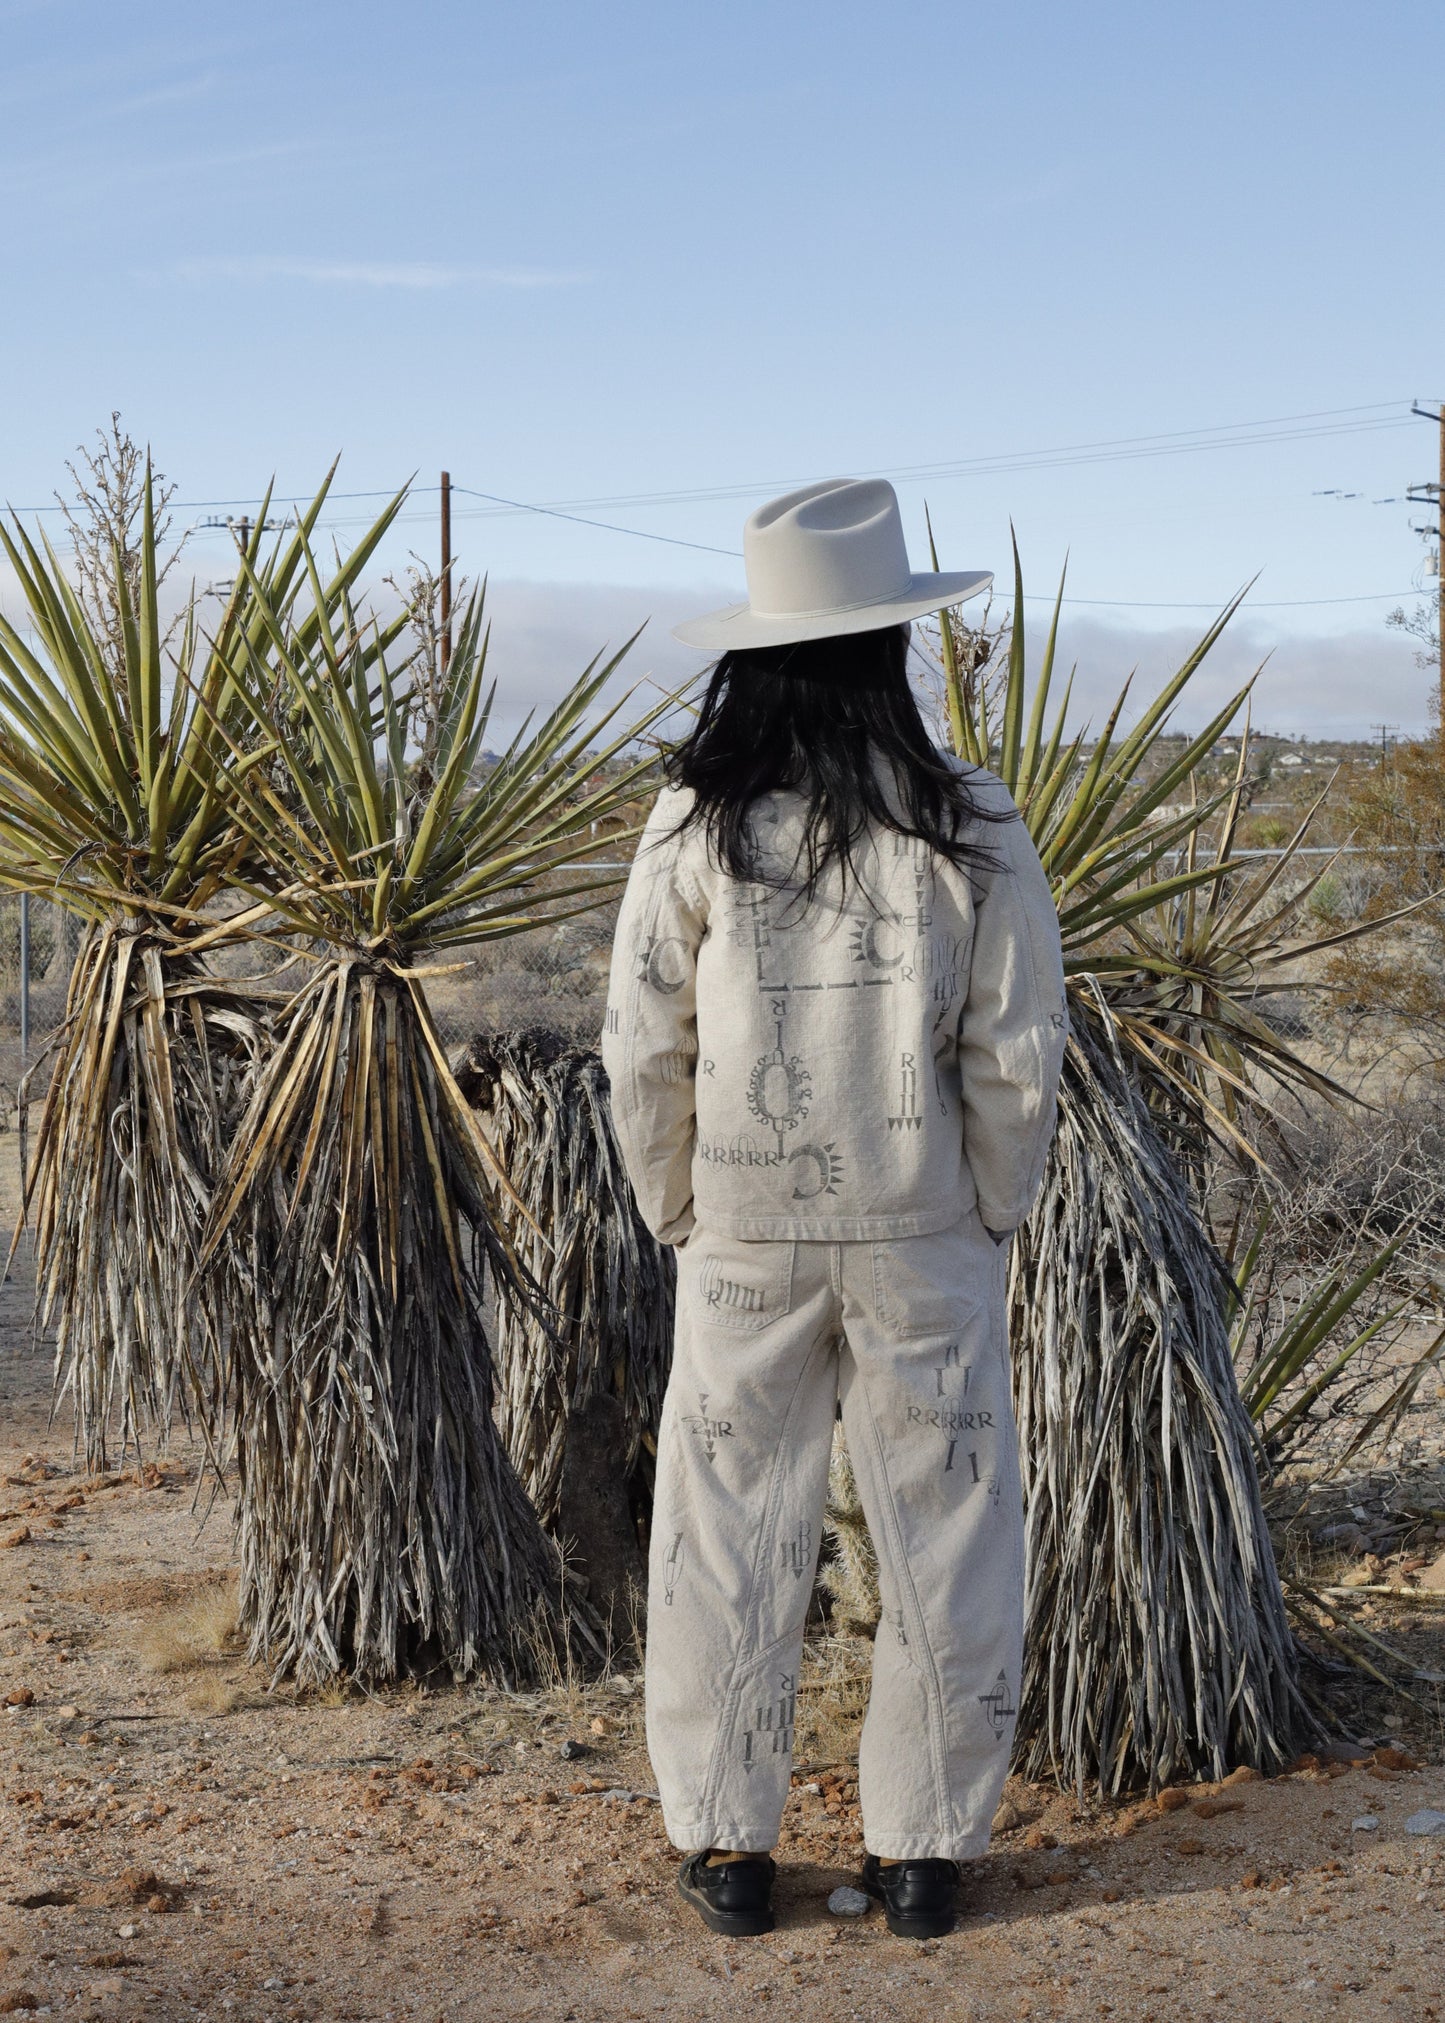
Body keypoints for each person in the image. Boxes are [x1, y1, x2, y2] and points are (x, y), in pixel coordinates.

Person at [601, 477, 1067, 1940]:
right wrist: (990, 1205)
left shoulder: (696, 820)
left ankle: (728, 1851)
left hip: (741, 1229)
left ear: (757, 654)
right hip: (918, 1220)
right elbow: (1015, 1043)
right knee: (946, 1526)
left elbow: (642, 1039)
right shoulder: (965, 819)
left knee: (725, 1525)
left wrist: (675, 1204)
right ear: (887, 648)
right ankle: (924, 1854)